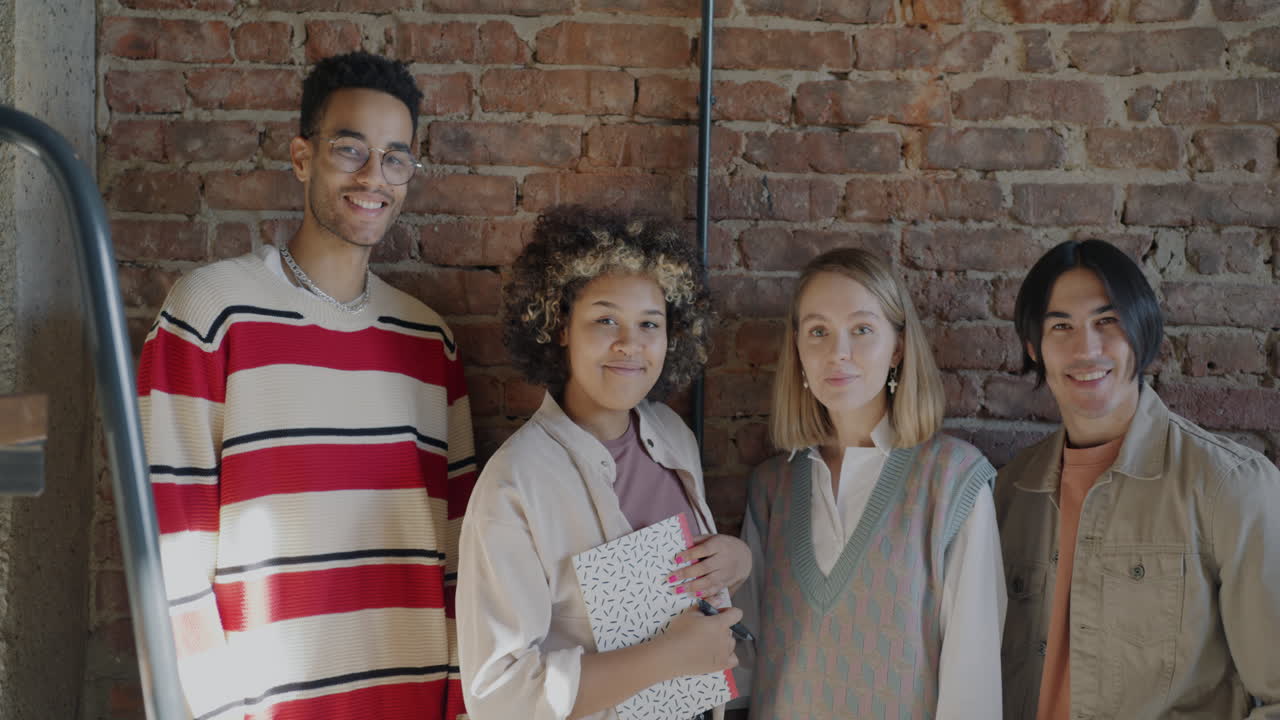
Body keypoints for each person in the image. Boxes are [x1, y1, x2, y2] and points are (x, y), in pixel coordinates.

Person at [137, 51, 475, 719]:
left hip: (410, 701)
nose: (374, 176)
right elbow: (169, 544)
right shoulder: (210, 312)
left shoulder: (429, 341)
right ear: (302, 158)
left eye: (395, 158)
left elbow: (459, 550)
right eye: (351, 150)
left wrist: (460, 703)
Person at [457, 205, 748, 720]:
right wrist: (668, 658)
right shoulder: (514, 483)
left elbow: (688, 597)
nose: (629, 344)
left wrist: (733, 564)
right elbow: (497, 696)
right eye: (605, 319)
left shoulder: (673, 438)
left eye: (649, 323)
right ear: (561, 325)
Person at [997, 238, 1280, 719]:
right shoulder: (1008, 491)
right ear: (1033, 348)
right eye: (1061, 326)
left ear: (1142, 331)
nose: (1086, 349)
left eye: (1107, 322)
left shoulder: (1228, 486)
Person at [736, 248, 1005, 719]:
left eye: (862, 330)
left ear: (897, 347)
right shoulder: (771, 489)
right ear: (797, 349)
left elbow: (973, 679)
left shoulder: (952, 481)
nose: (838, 352)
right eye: (818, 332)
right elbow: (745, 664)